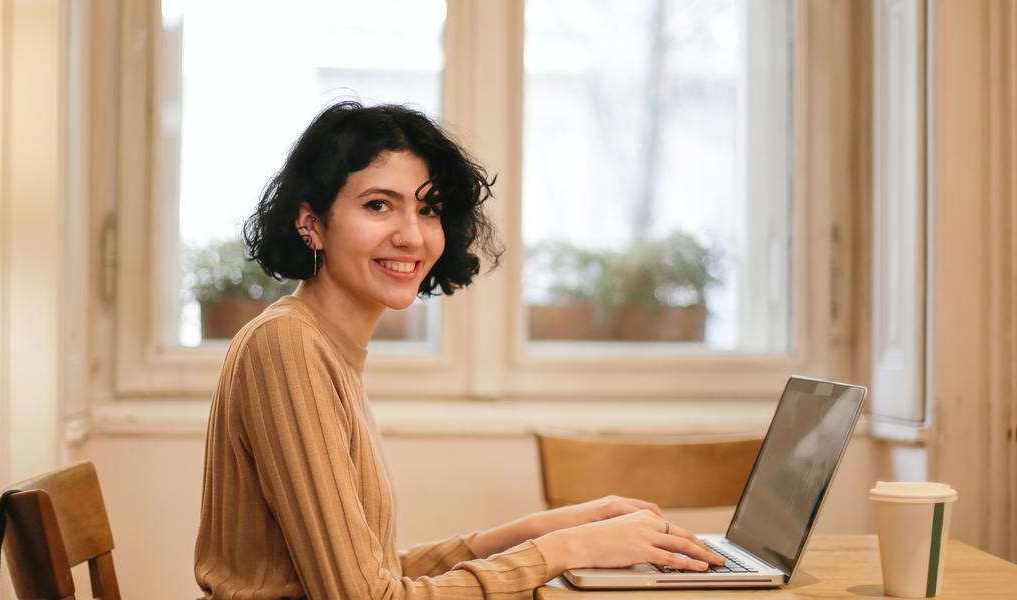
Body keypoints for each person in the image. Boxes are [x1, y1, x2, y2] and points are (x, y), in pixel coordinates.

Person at [193, 101, 723, 599]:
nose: (411, 236)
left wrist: (542, 530)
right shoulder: (288, 347)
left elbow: (370, 569)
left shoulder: (322, 344)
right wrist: (565, 551)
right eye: (379, 205)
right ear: (311, 222)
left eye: (429, 210)